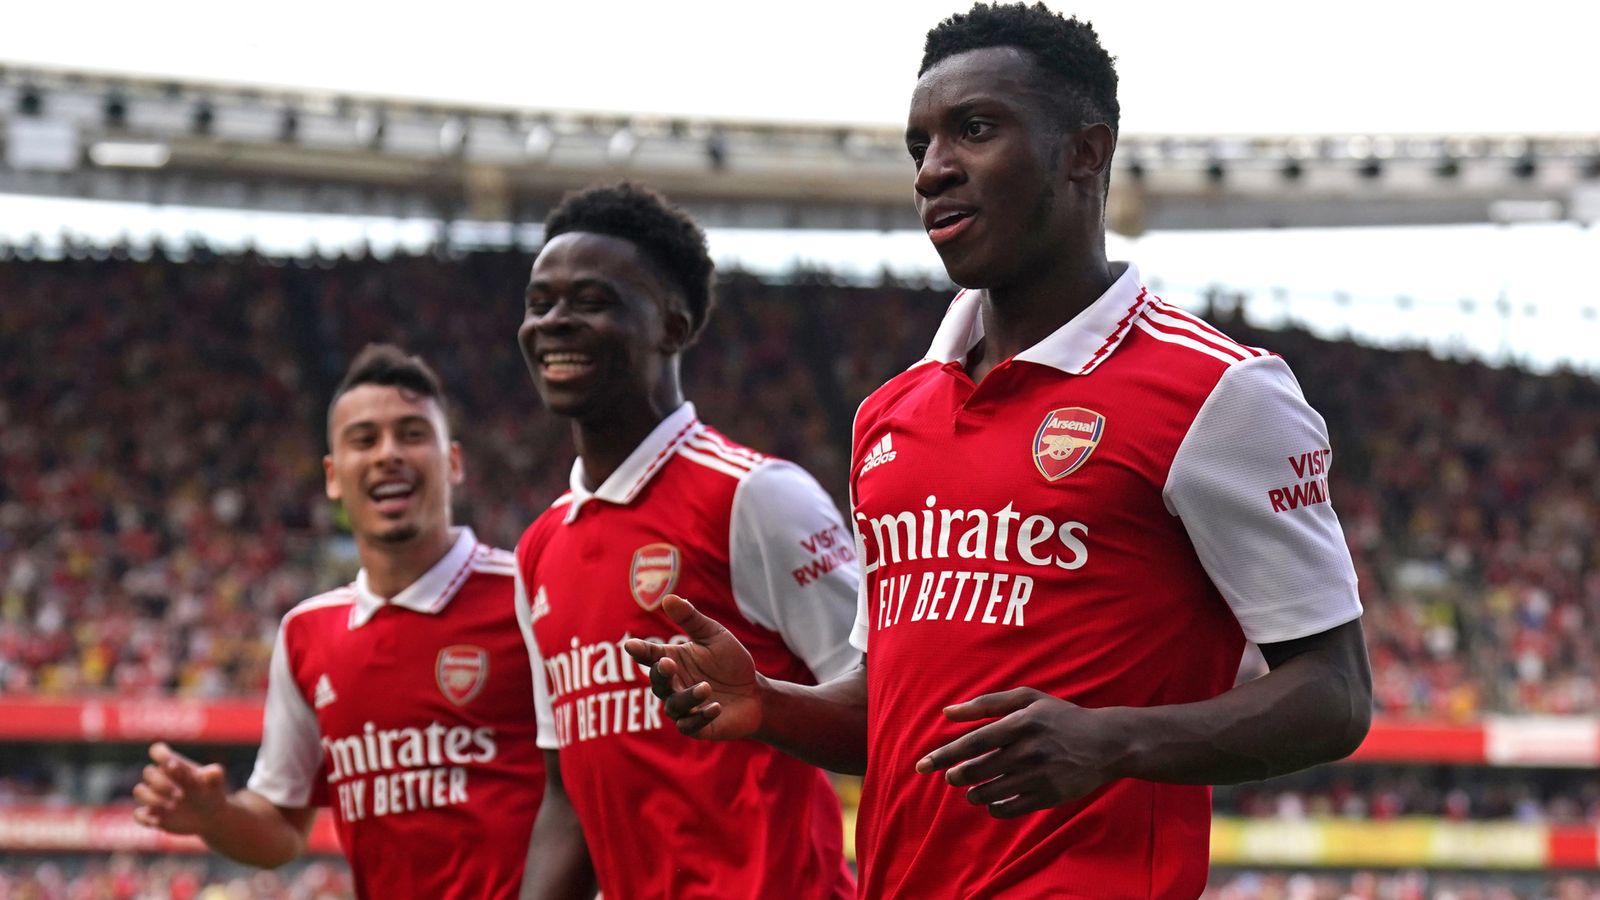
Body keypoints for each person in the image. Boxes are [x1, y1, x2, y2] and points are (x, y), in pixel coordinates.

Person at [624, 4, 1373, 898]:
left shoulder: (1217, 392)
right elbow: (893, 715)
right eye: (920, 146)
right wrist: (767, 705)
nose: (933, 170)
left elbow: (1335, 693)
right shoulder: (889, 417)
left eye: (974, 130)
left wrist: (1114, 741)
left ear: (1085, 153)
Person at [514, 182, 859, 900]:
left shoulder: (757, 497)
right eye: (539, 302)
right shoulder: (539, 549)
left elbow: (888, 712)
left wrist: (769, 706)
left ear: (672, 325)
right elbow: (567, 796)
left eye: (591, 301)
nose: (555, 322)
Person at [133, 344, 545, 900]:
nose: (388, 454)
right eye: (364, 439)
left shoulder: (529, 595)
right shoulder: (307, 633)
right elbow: (281, 828)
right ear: (332, 475)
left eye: (412, 434)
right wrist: (216, 817)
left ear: (453, 462)